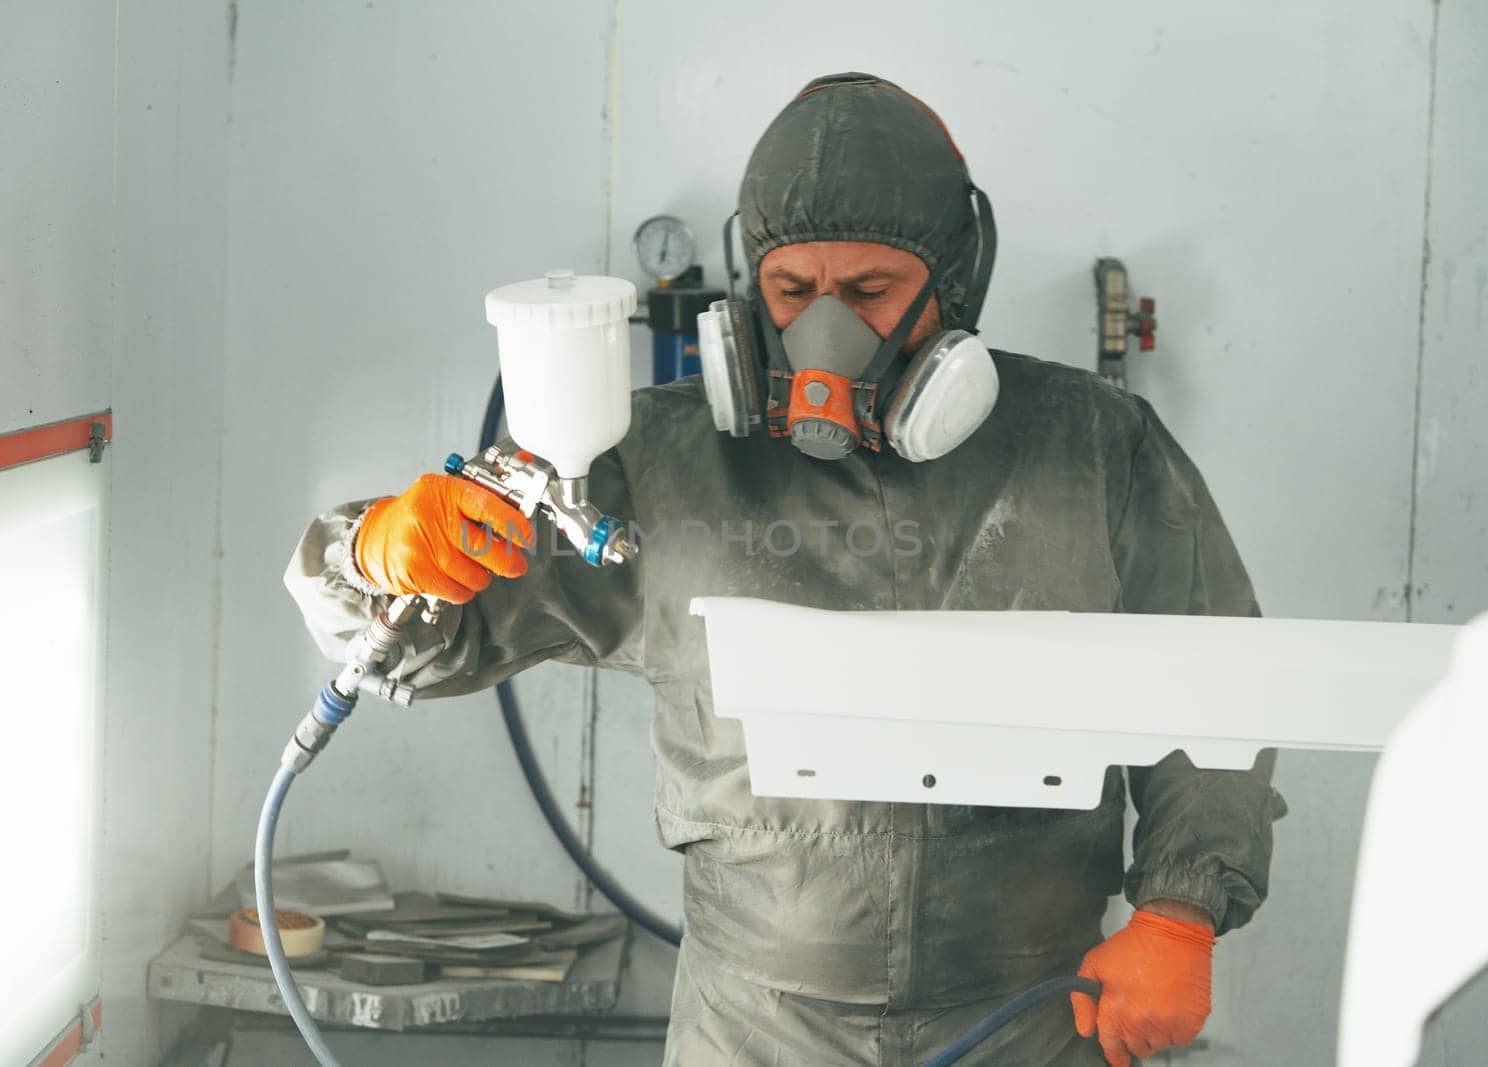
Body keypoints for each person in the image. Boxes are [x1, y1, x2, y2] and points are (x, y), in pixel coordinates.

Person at [286, 72, 1287, 1067]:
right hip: (754, 1026)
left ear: (953, 284)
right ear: (749, 290)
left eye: (867, 292)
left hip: (1034, 1012)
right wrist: (376, 548)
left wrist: (1179, 909)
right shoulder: (667, 462)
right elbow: (431, 636)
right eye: (793, 291)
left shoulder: (1092, 447)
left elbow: (1214, 679)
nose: (826, 333)